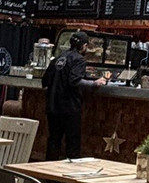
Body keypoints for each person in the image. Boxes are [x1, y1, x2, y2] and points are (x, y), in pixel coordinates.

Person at [42, 31, 105, 160]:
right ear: (84, 46)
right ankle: (70, 172)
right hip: (69, 107)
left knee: (54, 141)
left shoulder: (58, 58)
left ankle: (48, 171)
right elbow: (74, 81)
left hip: (53, 106)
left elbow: (45, 81)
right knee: (72, 144)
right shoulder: (79, 59)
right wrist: (94, 83)